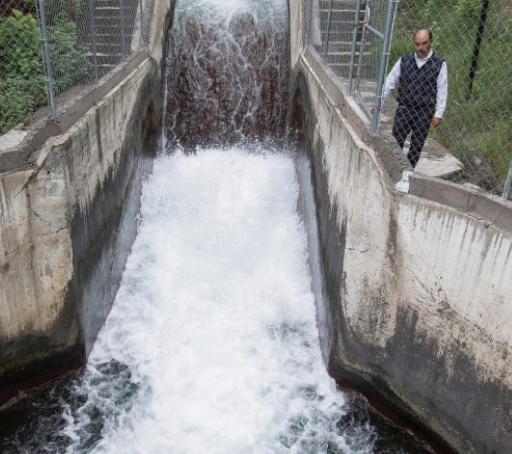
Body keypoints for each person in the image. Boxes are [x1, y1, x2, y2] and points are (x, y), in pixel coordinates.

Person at [382, 29, 448, 169]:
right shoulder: (404, 61)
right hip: (404, 108)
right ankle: (393, 169)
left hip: (425, 112)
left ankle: (408, 173)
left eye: (424, 43)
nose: (420, 48)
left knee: (416, 146)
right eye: (417, 44)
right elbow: (390, 82)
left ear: (431, 42)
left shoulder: (440, 64)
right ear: (414, 43)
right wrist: (380, 102)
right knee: (396, 140)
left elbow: (442, 90)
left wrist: (438, 113)